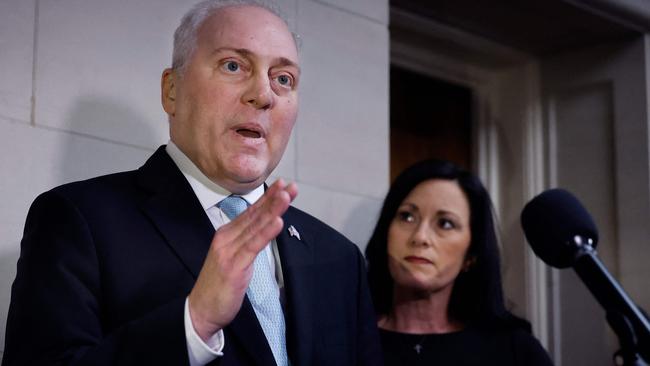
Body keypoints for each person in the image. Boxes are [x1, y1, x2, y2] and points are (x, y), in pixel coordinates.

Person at [2, 1, 381, 365]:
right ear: (171, 90)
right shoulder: (80, 221)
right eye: (234, 65)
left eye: (283, 79)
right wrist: (193, 323)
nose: (263, 94)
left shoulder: (340, 259)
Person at [365, 160, 553, 366]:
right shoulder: (348, 337)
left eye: (445, 223)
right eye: (407, 216)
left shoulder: (514, 349)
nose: (420, 237)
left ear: (471, 255)